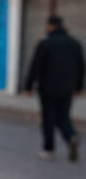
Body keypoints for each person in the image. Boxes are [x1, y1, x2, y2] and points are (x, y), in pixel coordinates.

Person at [24, 14, 84, 161]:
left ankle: (48, 149)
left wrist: (28, 86)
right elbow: (82, 67)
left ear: (50, 26)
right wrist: (78, 87)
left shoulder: (45, 43)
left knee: (48, 119)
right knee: (63, 117)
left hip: (48, 89)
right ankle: (71, 137)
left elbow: (36, 66)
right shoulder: (74, 44)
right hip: (67, 88)